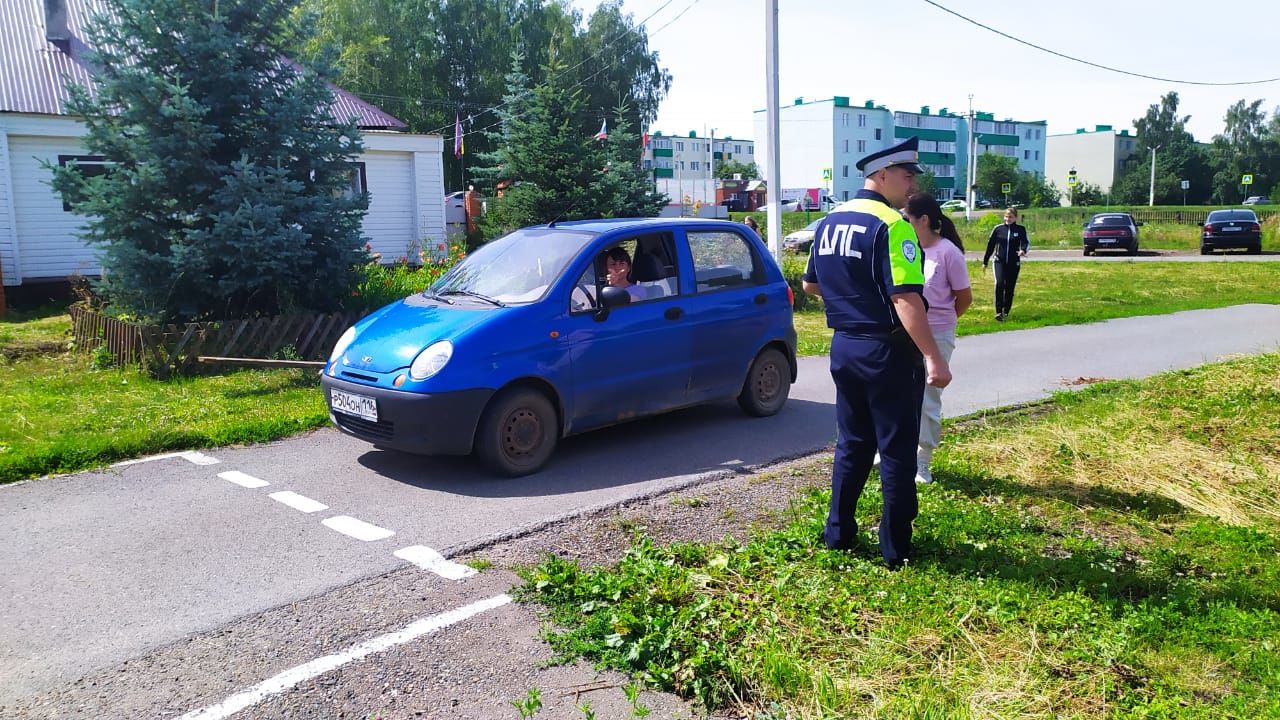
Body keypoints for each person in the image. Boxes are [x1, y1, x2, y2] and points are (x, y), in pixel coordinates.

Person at [801, 137, 952, 567]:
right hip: (888, 351)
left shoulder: (831, 220)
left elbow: (812, 284)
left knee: (852, 443)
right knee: (897, 448)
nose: (911, 185)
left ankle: (839, 533)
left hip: (845, 346)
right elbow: (907, 300)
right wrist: (933, 357)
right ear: (881, 174)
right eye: (907, 176)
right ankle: (895, 548)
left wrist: (851, 298)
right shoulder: (893, 225)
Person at [904, 193, 972, 484]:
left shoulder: (947, 252)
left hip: (938, 334)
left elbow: (964, 298)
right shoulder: (907, 249)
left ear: (924, 220)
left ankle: (923, 462)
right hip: (906, 334)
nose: (904, 223)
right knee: (900, 395)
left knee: (927, 399)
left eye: (907, 218)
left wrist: (943, 323)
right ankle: (895, 452)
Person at [982, 207, 1029, 321]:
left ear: (1015, 218)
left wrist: (1023, 250)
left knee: (1009, 287)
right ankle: (998, 311)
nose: (1008, 219)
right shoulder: (998, 229)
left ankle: (1005, 312)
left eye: (1010, 217)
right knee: (999, 284)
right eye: (1006, 216)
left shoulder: (1020, 229)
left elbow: (1025, 242)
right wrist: (985, 261)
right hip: (999, 261)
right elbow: (990, 246)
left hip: (1013, 262)